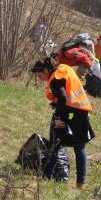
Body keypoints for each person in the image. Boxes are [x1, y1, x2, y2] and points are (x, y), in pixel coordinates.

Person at [31, 57, 95, 189]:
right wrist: (56, 103)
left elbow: (63, 97)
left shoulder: (55, 79)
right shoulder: (63, 69)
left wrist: (57, 117)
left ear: (46, 70)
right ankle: (80, 182)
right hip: (81, 111)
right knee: (79, 147)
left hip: (69, 114)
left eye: (40, 75)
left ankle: (47, 176)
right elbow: (67, 92)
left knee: (55, 144)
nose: (40, 79)